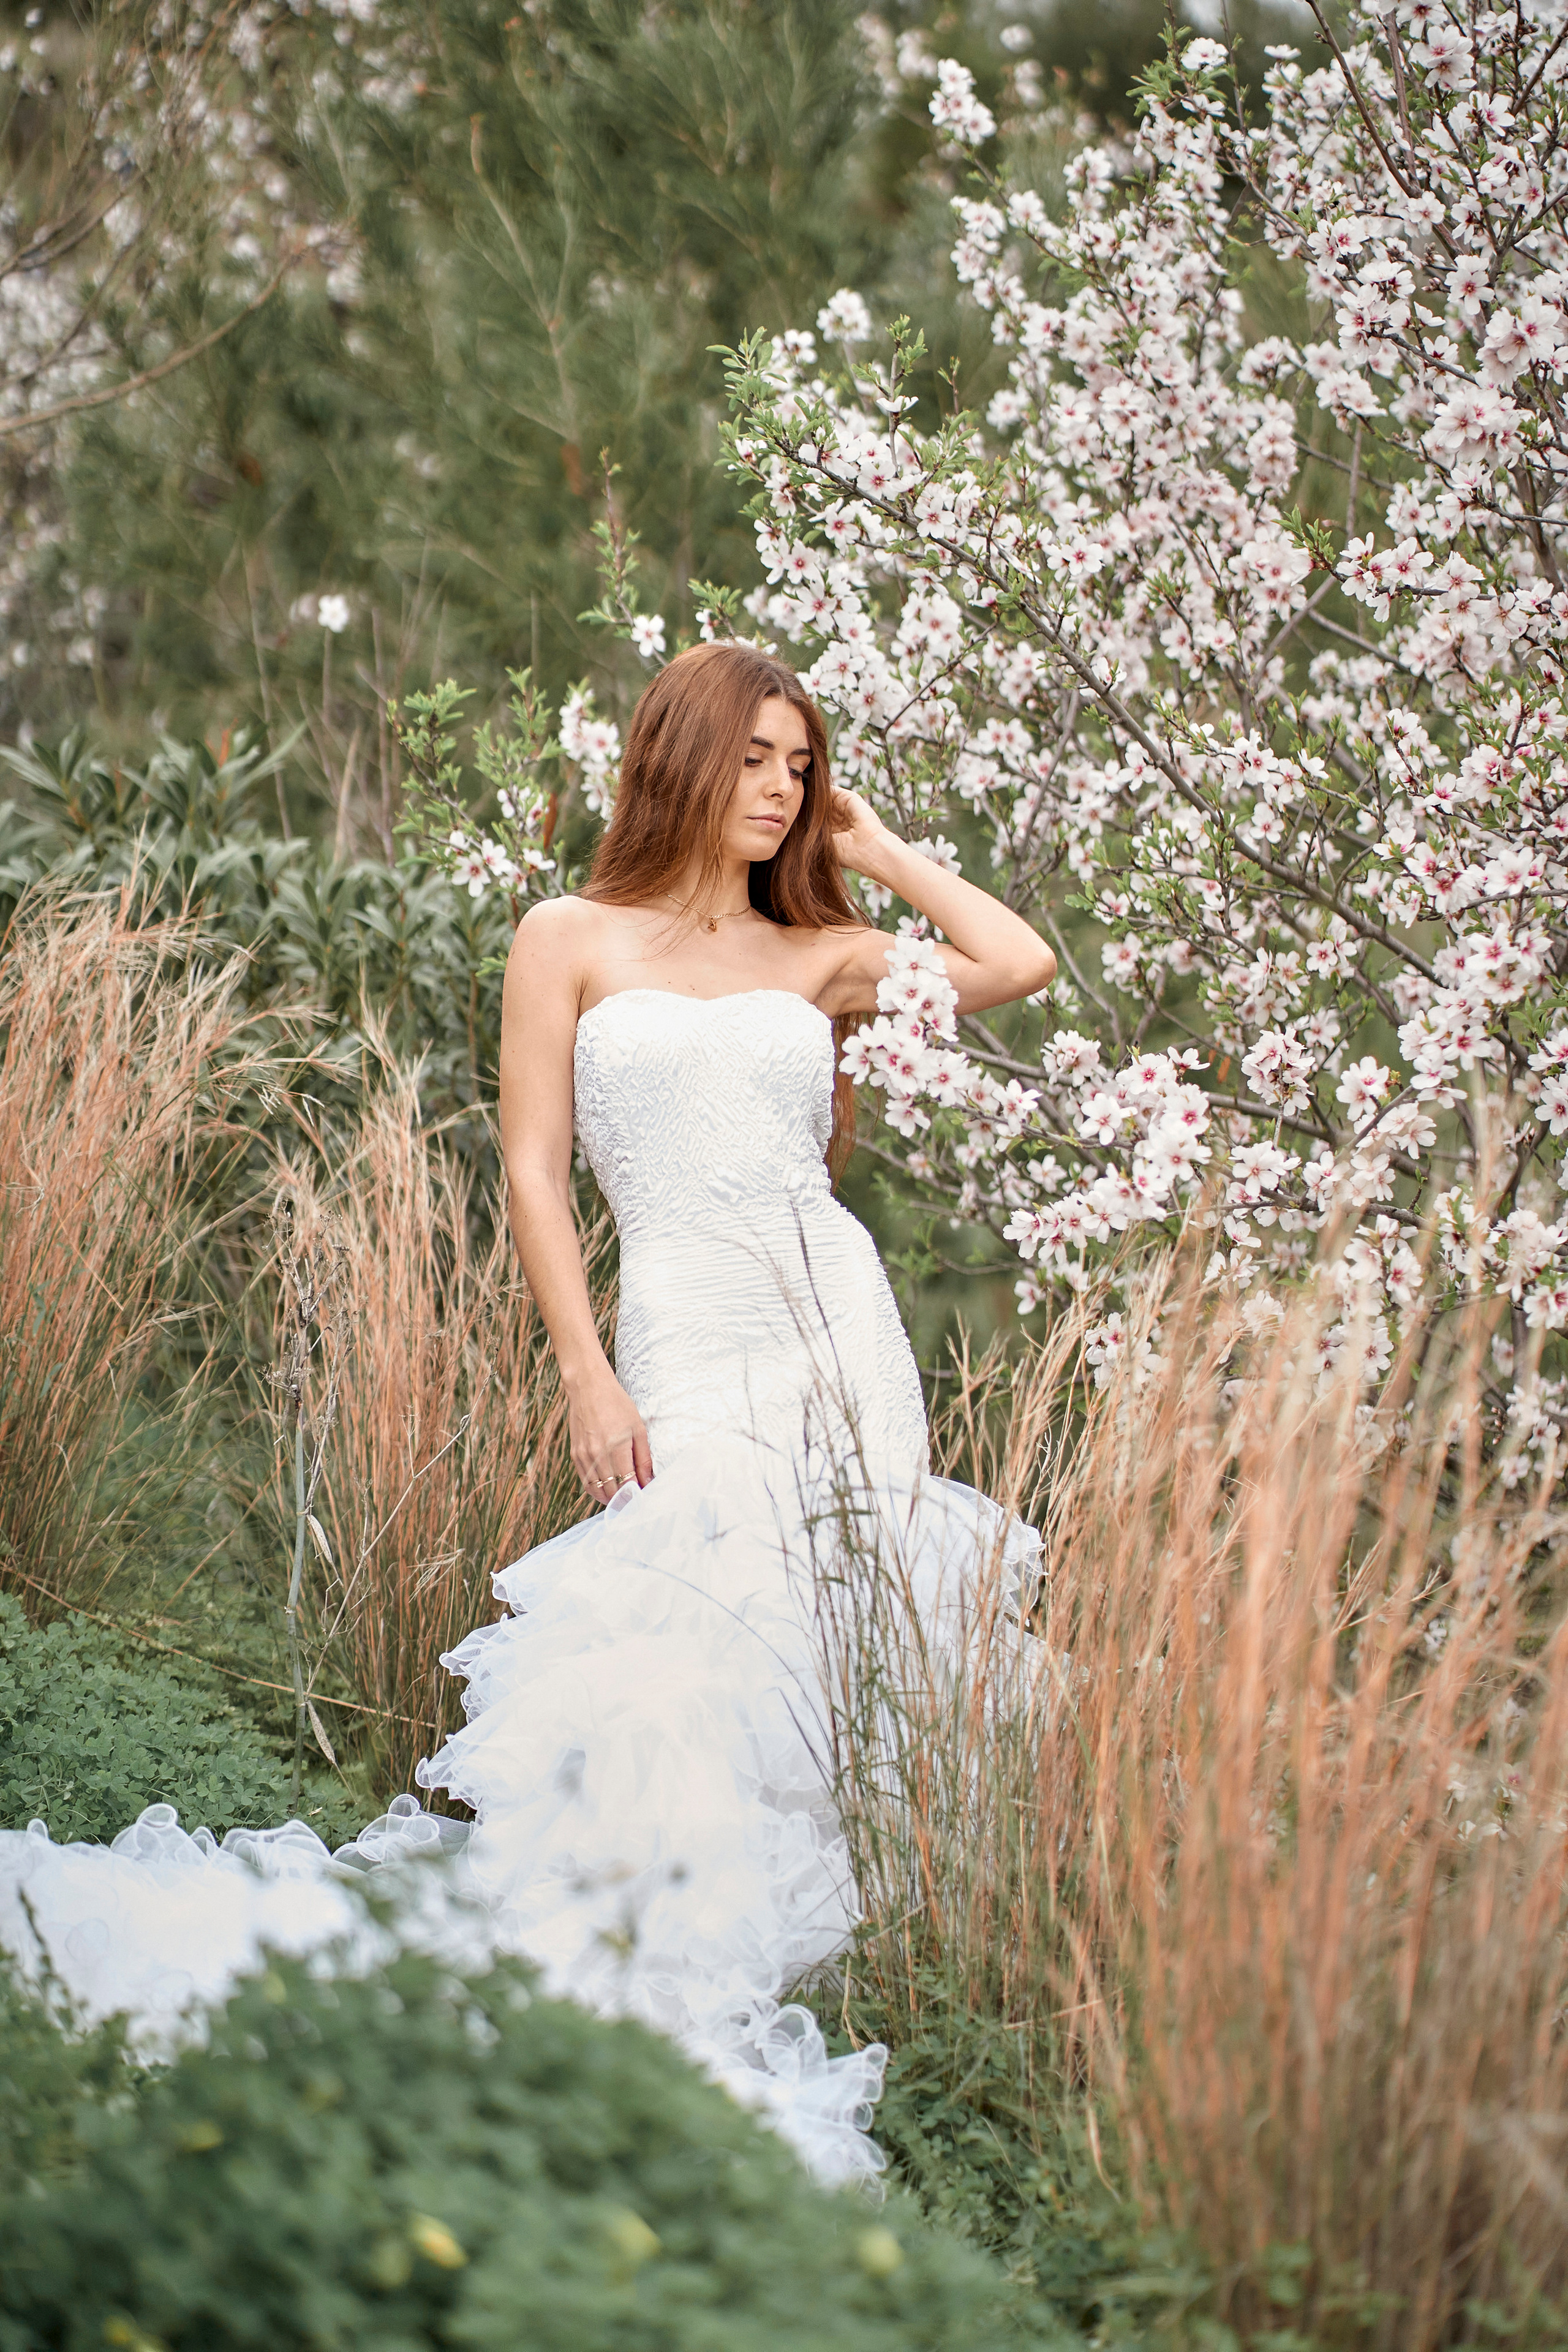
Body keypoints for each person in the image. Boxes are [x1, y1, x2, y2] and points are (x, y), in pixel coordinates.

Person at [0, 643, 1053, 2190]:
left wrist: (874, 848)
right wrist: (582, 1368)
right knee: (674, 1618)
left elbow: (1015, 961)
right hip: (682, 1323)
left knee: (825, 1627)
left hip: (837, 1330)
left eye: (799, 763)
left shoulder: (818, 957)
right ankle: (621, 1950)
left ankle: (770, 1972)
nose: (779, 788)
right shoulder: (565, 936)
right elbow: (533, 1170)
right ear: (681, 757)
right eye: (756, 758)